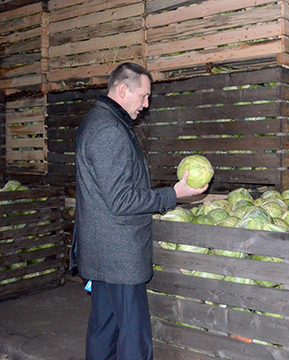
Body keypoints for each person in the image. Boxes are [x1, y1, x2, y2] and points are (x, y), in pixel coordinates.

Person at [71, 62, 208, 359]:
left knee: (104, 329)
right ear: (123, 90)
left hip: (103, 254)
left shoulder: (100, 121)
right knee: (134, 337)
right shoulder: (109, 131)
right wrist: (173, 194)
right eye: (144, 96)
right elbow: (122, 200)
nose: (146, 105)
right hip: (118, 257)